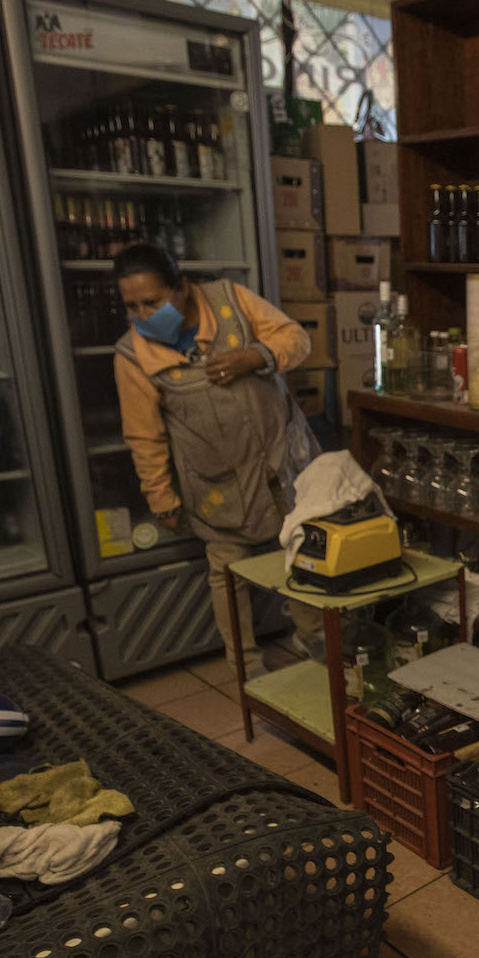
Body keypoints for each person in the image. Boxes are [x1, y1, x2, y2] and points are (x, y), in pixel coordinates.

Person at [112, 243, 313, 676]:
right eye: (133, 306)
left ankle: (317, 644)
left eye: (154, 301)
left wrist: (256, 355)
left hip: (282, 461)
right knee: (228, 572)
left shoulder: (230, 300)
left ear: (183, 288)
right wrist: (161, 498)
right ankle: (247, 668)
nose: (145, 314)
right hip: (218, 482)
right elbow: (144, 437)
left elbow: (297, 339)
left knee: (304, 556)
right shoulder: (132, 355)